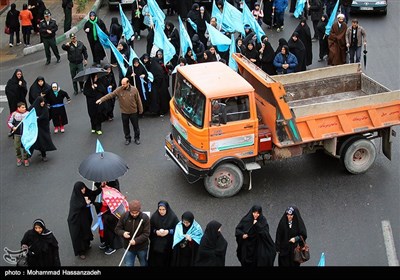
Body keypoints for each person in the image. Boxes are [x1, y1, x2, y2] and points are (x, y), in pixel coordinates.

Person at [96, 77, 143, 145]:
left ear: (128, 83)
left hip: (133, 112)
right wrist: (101, 100)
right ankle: (127, 138)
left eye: (124, 84)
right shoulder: (119, 90)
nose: (122, 86)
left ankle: (137, 138)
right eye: (122, 84)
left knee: (136, 127)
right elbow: (110, 95)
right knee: (125, 127)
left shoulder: (134, 90)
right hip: (124, 112)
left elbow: (138, 100)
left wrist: (141, 109)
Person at [67, 181, 103, 260]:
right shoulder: (75, 199)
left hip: (85, 218)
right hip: (77, 221)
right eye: (81, 189)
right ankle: (81, 252)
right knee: (79, 235)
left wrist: (100, 187)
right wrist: (85, 202)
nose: (83, 190)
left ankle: (86, 245)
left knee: (86, 231)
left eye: (83, 187)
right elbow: (77, 207)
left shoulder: (85, 192)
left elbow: (93, 193)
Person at [115, 200, 150, 266]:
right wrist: (123, 233)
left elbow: (146, 233)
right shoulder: (124, 216)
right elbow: (117, 229)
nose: (134, 214)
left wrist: (135, 241)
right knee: (128, 264)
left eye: (136, 213)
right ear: (129, 210)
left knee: (143, 264)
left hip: (142, 247)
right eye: (132, 213)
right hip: (128, 247)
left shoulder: (145, 218)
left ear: (139, 210)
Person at [93, 182, 123, 256]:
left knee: (110, 231)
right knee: (104, 230)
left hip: (111, 213)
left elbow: (114, 195)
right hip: (105, 213)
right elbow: (98, 185)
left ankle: (113, 246)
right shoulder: (103, 182)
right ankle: (106, 243)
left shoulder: (113, 184)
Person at [148, 201, 179, 267]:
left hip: (168, 245)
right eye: (160, 209)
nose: (161, 211)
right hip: (156, 245)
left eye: (163, 209)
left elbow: (177, 229)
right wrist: (156, 232)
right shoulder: (154, 217)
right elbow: (150, 228)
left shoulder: (173, 217)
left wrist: (168, 232)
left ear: (167, 209)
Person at [28, 96, 57, 162]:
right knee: (33, 141)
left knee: (42, 141)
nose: (43, 103)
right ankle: (28, 156)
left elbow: (45, 116)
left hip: (42, 128)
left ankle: (44, 155)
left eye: (43, 101)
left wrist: (37, 118)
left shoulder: (44, 108)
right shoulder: (32, 108)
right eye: (41, 102)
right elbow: (28, 114)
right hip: (35, 128)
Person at [7, 102, 29, 167]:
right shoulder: (14, 114)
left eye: (25, 107)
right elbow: (9, 122)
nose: (24, 108)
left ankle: (25, 158)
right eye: (22, 107)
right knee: (17, 147)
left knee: (25, 146)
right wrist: (13, 127)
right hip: (17, 134)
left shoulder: (28, 114)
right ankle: (19, 158)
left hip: (25, 133)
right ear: (18, 108)